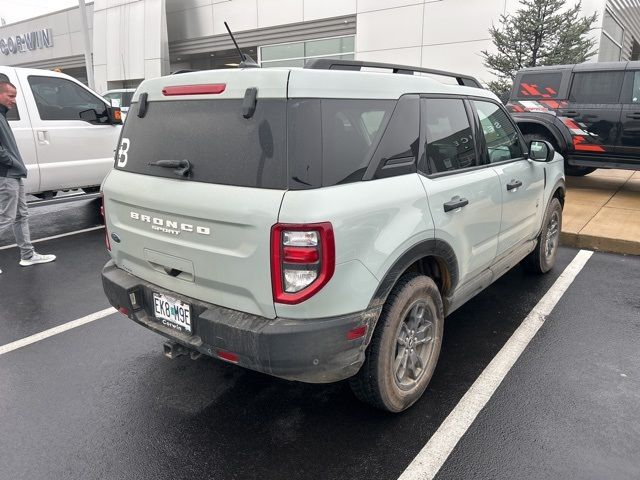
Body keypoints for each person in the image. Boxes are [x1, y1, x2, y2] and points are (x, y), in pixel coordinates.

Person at [0, 81, 56, 274]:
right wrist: (13, 163)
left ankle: (28, 255)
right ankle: (28, 255)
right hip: (6, 174)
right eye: (10, 96)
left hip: (12, 173)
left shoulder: (2, 115)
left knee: (20, 215)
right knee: (6, 218)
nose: (14, 101)